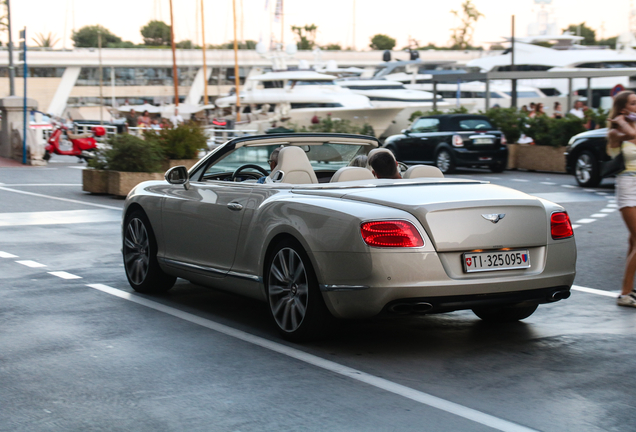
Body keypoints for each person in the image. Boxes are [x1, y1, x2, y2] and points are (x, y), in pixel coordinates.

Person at [607, 90, 636, 307]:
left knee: (633, 240)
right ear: (624, 108)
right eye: (634, 104)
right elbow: (631, 136)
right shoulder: (615, 133)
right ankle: (625, 294)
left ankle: (628, 290)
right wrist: (620, 120)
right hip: (628, 185)